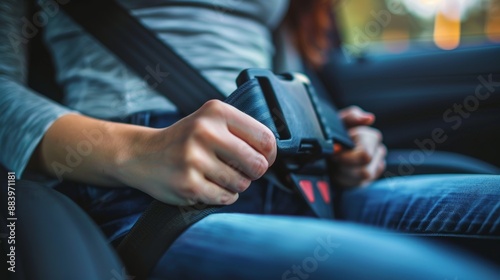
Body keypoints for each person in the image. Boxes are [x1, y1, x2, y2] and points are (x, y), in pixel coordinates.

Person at [0, 0, 498, 279]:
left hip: (299, 178)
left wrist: (332, 138)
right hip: (151, 191)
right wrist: (136, 152)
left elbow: (281, 68)